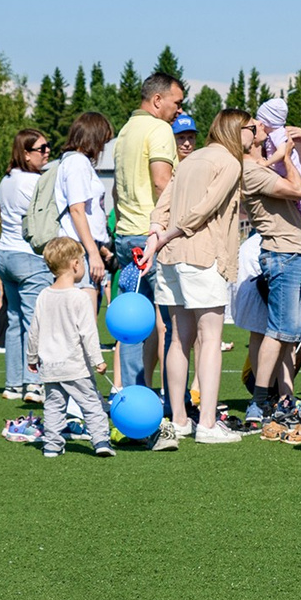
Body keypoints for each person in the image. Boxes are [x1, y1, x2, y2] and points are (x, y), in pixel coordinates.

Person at [141, 106, 255, 447]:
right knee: (209, 338)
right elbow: (205, 208)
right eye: (251, 129)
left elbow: (161, 206)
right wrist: (165, 234)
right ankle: (206, 423)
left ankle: (179, 419)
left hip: (171, 259)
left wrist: (157, 235)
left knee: (179, 338)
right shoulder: (230, 162)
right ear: (236, 129)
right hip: (202, 256)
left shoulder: (190, 161)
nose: (256, 135)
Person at [108, 72, 184, 391]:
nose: (179, 110)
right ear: (157, 100)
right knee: (174, 324)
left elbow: (116, 190)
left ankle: (132, 394)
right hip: (151, 237)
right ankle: (174, 400)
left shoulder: (125, 131)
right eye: (177, 103)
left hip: (126, 235)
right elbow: (161, 182)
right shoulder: (159, 129)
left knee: (133, 324)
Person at [238, 109, 301, 425]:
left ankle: (285, 399)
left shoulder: (265, 164)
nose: (261, 125)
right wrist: (285, 155)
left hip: (294, 254)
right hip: (283, 255)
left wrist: (299, 150)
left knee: (289, 335)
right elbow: (300, 190)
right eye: (253, 125)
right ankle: (259, 402)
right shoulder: (251, 169)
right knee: (278, 331)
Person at [27, 236, 113, 458]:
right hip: (76, 366)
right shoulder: (80, 297)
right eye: (83, 262)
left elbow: (34, 329)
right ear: (75, 264)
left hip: (51, 366)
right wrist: (98, 360)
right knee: (92, 404)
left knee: (53, 406)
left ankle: (52, 445)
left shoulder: (44, 295)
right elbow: (88, 333)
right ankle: (101, 441)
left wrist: (32, 357)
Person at [0, 129, 53, 419]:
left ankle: (13, 384)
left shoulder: (7, 179)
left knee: (15, 321)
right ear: (26, 154)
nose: (47, 151)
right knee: (33, 321)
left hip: (6, 254)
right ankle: (33, 382)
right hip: (28, 255)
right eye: (42, 148)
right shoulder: (33, 181)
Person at [52, 112, 114, 292]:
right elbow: (77, 210)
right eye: (102, 141)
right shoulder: (77, 163)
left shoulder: (74, 161)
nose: (102, 149)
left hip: (82, 247)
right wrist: (93, 253)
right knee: (84, 307)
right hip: (79, 249)